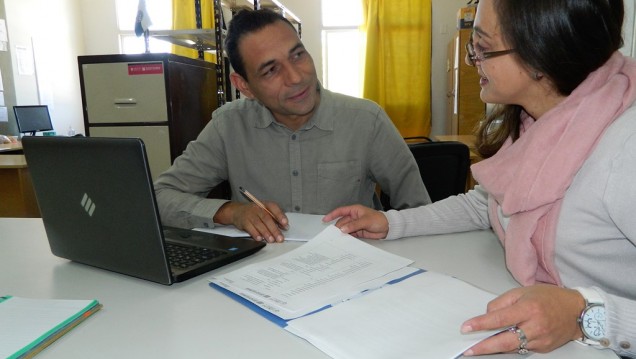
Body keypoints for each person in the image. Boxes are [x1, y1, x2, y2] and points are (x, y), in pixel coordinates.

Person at [324, 0, 636, 357]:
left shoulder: (626, 149)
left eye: (483, 48)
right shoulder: (539, 120)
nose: (473, 60)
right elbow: (488, 202)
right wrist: (391, 222)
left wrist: (586, 315)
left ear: (542, 53)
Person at [154, 9, 430, 243]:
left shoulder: (366, 120)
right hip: (262, 279)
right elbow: (160, 198)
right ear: (244, 86)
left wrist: (385, 224)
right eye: (271, 70)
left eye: (297, 55)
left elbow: (422, 212)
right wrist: (231, 212)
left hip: (355, 273)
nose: (296, 77)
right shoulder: (229, 126)